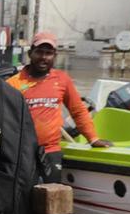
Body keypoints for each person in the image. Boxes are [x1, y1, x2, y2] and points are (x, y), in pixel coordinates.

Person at [8, 31, 109, 182]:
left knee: (52, 196)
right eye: (39, 52)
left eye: (48, 53)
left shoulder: (62, 80)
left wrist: (93, 139)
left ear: (54, 56)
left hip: (51, 150)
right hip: (22, 152)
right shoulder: (13, 84)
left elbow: (78, 111)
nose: (43, 57)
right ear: (30, 53)